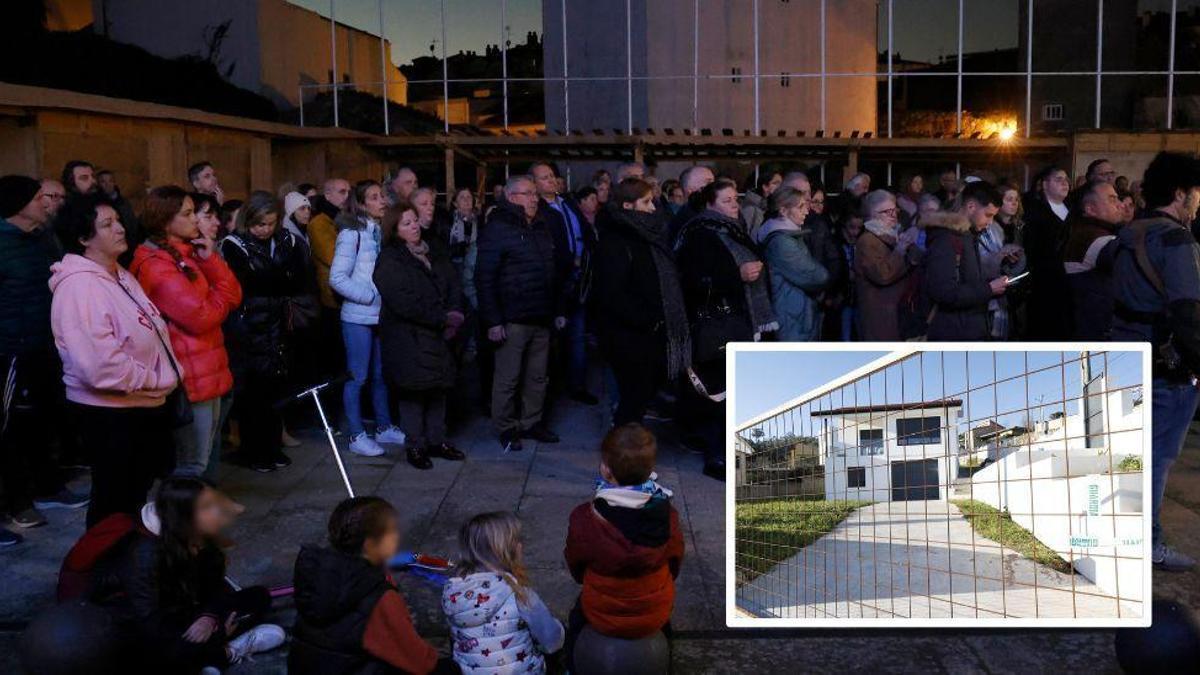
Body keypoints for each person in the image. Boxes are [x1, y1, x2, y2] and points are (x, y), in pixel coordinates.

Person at [49, 193, 178, 526]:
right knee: (114, 500)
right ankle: (101, 569)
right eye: (106, 225)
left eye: (118, 221)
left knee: (132, 493)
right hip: (111, 412)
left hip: (140, 404)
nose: (120, 228)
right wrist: (158, 379)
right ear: (83, 238)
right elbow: (99, 367)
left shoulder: (118, 273)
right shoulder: (81, 287)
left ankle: (127, 561)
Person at [1109, 151, 1200, 572]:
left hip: (1126, 359)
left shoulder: (1128, 234)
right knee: (1157, 461)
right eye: (1197, 192)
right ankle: (1147, 544)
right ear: (1181, 193)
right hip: (1167, 366)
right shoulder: (1176, 239)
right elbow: (1186, 314)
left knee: (1129, 458)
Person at [88, 477, 283, 672]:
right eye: (206, 507)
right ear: (182, 516)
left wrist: (210, 617)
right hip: (142, 628)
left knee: (260, 596)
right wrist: (219, 633)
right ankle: (226, 653)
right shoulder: (145, 555)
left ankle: (207, 658)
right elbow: (151, 626)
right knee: (167, 655)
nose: (218, 512)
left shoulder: (201, 536)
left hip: (187, 609)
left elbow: (215, 587)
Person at [130, 186, 242, 481]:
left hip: (207, 366)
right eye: (188, 213)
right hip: (190, 373)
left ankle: (201, 514)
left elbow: (235, 296)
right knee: (191, 465)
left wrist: (211, 261)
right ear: (165, 220)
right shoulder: (156, 265)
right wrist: (218, 302)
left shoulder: (188, 254)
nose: (197, 220)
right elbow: (201, 318)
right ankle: (179, 524)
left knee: (203, 457)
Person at [0, 176, 87, 538]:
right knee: (11, 430)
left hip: (45, 346)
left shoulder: (43, 238)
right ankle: (17, 502)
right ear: (18, 204)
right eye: (38, 198)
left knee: (42, 420)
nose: (46, 203)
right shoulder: (3, 243)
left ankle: (48, 486)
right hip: (10, 351)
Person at [676, 178, 775, 479]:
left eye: (736, 199)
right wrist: (738, 274)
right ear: (710, 204)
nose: (735, 205)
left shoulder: (734, 230)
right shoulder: (699, 233)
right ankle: (716, 456)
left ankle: (729, 452)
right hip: (718, 324)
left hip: (741, 320)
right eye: (727, 200)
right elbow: (694, 280)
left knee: (735, 389)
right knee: (720, 391)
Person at [564, 424, 684, 670]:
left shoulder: (585, 518)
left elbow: (576, 566)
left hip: (601, 611)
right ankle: (666, 662)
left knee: (576, 620)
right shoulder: (668, 516)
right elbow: (675, 562)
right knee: (665, 623)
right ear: (651, 471)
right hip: (654, 610)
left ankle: (572, 665)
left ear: (606, 470)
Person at [291, 496, 450, 674]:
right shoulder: (378, 597)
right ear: (369, 544)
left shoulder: (317, 573)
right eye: (393, 531)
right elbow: (421, 663)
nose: (398, 536)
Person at [476, 176, 567, 452]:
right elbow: (485, 276)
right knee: (508, 377)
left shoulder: (541, 226)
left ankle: (531, 422)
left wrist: (558, 310)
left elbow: (553, 272)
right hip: (512, 317)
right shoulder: (498, 228)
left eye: (534, 194)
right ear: (512, 197)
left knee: (537, 376)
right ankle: (505, 427)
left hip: (541, 315)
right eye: (527, 194)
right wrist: (493, 320)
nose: (534, 198)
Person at [221, 191, 309, 472]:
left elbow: (296, 278)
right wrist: (276, 279)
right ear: (249, 221)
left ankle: (273, 447)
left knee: (275, 391)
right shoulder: (235, 245)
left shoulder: (286, 241)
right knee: (252, 395)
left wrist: (274, 280)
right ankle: (254, 451)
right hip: (250, 328)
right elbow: (249, 284)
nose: (265, 229)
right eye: (260, 224)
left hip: (278, 326)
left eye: (271, 223)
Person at [374, 202, 467, 470]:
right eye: (406, 223)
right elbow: (403, 301)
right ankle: (416, 446)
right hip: (410, 337)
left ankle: (438, 441)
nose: (414, 226)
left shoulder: (432, 251)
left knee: (439, 389)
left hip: (438, 336)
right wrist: (441, 318)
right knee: (414, 395)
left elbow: (451, 282)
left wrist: (454, 312)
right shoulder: (390, 260)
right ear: (394, 229)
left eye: (414, 221)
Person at [591, 179, 691, 426]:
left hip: (649, 334)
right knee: (632, 401)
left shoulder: (650, 235)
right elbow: (611, 293)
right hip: (629, 337)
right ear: (628, 205)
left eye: (652, 201)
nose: (653, 208)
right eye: (646, 202)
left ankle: (626, 454)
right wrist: (649, 319)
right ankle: (620, 458)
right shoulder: (615, 240)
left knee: (640, 398)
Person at [329, 180, 406, 457]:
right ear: (361, 204)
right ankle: (356, 434)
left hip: (380, 316)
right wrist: (369, 296)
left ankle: (384, 427)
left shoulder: (380, 231)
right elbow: (337, 277)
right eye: (374, 198)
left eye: (382, 196)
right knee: (357, 377)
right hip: (358, 316)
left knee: (380, 375)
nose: (382, 201)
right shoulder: (352, 233)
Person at [443, 512, 565, 674]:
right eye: (517, 541)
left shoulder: (453, 594)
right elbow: (551, 641)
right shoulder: (520, 595)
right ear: (506, 551)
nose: (521, 545)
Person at [531, 162, 595, 405]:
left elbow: (585, 230)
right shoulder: (537, 210)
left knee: (577, 335)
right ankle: (549, 390)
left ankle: (577, 386)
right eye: (544, 177)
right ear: (534, 184)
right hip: (555, 280)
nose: (551, 180)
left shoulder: (567, 203)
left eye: (551, 176)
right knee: (550, 339)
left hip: (578, 278)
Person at [922, 182, 1010, 341]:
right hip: (953, 333)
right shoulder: (946, 239)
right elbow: (944, 292)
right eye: (988, 215)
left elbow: (968, 279)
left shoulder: (968, 235)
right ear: (971, 207)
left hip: (968, 329)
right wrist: (988, 289)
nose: (990, 222)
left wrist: (992, 283)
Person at [753, 186, 829, 341]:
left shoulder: (789, 236)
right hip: (791, 317)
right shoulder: (781, 242)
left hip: (796, 314)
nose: (806, 212)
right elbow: (818, 276)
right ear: (783, 210)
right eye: (800, 207)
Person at [854, 189, 922, 341]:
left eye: (894, 210)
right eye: (886, 211)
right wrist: (900, 250)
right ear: (872, 214)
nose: (893, 215)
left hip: (897, 313)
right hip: (880, 316)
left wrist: (908, 245)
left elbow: (917, 259)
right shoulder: (867, 241)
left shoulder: (893, 235)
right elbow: (882, 275)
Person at [1063, 180, 1123, 341]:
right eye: (1112, 199)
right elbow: (1126, 263)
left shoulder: (1087, 231)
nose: (1120, 205)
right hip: (1096, 330)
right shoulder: (1091, 237)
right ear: (1090, 209)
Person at [1023, 166, 1072, 340]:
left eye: (1066, 179)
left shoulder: (1073, 210)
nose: (1064, 183)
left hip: (1070, 280)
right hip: (1044, 281)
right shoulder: (1034, 212)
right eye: (1058, 179)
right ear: (1044, 184)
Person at [447, 187, 480, 307]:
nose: (466, 200)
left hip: (475, 265)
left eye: (469, 197)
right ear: (455, 203)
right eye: (462, 197)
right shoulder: (448, 221)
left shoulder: (480, 220)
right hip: (455, 264)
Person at [667, 165, 715, 244]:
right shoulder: (688, 219)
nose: (715, 186)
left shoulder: (710, 212)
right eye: (708, 182)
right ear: (690, 189)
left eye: (714, 182)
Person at [740, 170, 782, 237]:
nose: (780, 186)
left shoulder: (771, 206)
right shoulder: (750, 208)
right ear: (765, 187)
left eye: (781, 183)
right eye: (776, 183)